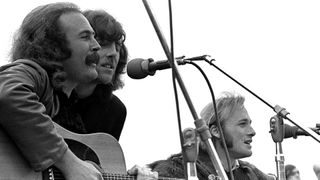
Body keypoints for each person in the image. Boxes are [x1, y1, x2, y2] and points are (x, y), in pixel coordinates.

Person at [0, 2, 156, 180]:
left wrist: (124, 176)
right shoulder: (33, 74)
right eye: (85, 37)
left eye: (96, 38)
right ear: (54, 47)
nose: (97, 46)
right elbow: (8, 92)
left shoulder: (57, 101)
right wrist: (69, 162)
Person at [148, 91, 275, 180]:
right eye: (242, 124)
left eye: (250, 124)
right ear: (215, 131)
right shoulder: (177, 171)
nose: (252, 131)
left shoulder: (250, 174)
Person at [53, 9, 128, 140]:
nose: (113, 53)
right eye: (103, 44)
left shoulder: (115, 110)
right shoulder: (43, 92)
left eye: (118, 46)